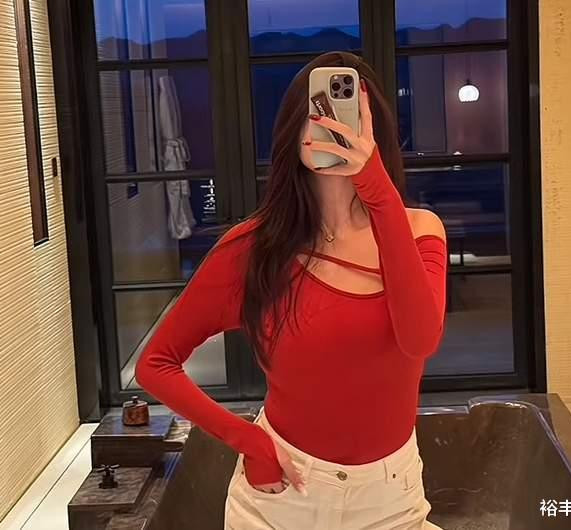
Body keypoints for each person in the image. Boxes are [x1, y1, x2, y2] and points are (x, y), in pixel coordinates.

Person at [135, 51, 447, 529]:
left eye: (347, 114)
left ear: (376, 131)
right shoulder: (253, 248)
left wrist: (377, 188)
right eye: (316, 113)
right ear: (292, 132)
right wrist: (249, 442)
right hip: (283, 493)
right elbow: (156, 363)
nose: (331, 126)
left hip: (391, 496)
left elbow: (420, 339)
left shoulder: (420, 230)